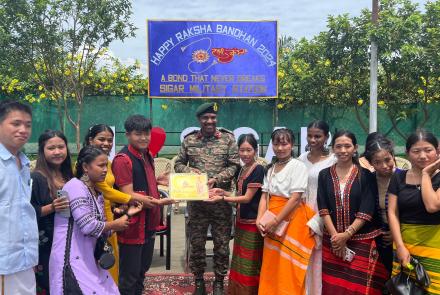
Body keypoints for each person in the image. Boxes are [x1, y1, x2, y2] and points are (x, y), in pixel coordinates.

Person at [49, 145, 142, 294]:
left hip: (89, 257)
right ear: (85, 167)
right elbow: (88, 226)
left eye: (106, 165)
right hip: (72, 257)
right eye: (100, 165)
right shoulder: (75, 187)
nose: (105, 169)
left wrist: (128, 214)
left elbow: (102, 230)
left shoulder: (95, 191)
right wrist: (115, 224)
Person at [174, 102, 240, 295]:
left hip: (220, 202)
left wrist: (216, 179)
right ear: (199, 120)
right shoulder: (189, 140)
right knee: (197, 244)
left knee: (221, 244)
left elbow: (234, 166)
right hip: (197, 203)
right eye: (205, 118)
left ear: (216, 118)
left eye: (212, 117)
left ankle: (219, 282)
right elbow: (178, 163)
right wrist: (190, 171)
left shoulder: (228, 139)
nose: (209, 121)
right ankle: (199, 281)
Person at [317, 130, 388, 295]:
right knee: (333, 286)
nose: (343, 150)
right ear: (333, 148)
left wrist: (346, 235)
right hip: (332, 242)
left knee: (361, 288)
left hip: (361, 240)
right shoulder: (324, 175)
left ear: (355, 147)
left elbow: (366, 210)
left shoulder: (366, 175)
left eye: (347, 146)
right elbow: (323, 208)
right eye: (339, 146)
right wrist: (336, 238)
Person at [84, 124, 156, 284]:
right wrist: (132, 199)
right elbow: (106, 190)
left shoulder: (107, 162)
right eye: (101, 139)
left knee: (111, 261)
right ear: (90, 140)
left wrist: (120, 205)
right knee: (95, 260)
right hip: (95, 217)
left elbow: (113, 187)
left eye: (110, 140)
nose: (106, 143)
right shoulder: (87, 164)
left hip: (111, 214)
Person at [112, 115, 173, 295]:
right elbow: (128, 195)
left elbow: (142, 182)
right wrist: (160, 202)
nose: (144, 138)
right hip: (132, 225)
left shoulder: (147, 155)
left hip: (149, 223)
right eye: (138, 134)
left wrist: (157, 181)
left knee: (142, 270)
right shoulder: (123, 159)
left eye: (147, 134)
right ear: (128, 135)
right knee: (129, 276)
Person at [256, 128, 315, 295]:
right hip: (270, 222)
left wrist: (276, 221)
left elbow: (295, 198)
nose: (280, 148)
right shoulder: (270, 168)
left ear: (292, 145)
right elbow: (264, 196)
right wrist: (259, 219)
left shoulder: (297, 166)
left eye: (284, 143)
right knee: (271, 265)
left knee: (288, 268)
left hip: (291, 221)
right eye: (276, 144)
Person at [207, 134, 265, 295]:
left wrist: (222, 198)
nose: (245, 154)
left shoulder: (258, 169)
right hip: (241, 220)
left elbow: (247, 198)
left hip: (253, 222)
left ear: (255, 150)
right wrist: (222, 190)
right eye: (242, 150)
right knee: (240, 259)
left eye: (249, 150)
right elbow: (238, 193)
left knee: (251, 261)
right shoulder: (242, 169)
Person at [388, 129, 440, 295]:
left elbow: (432, 206)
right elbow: (392, 213)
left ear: (437, 151)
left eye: (428, 150)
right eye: (416, 151)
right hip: (405, 246)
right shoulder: (398, 177)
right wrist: (400, 247)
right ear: (407, 153)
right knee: (404, 290)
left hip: (435, 247)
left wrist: (425, 174)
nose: (423, 156)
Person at [0, 99, 38, 295]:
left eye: (28, 125)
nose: (23, 130)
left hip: (24, 258)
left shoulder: (23, 163)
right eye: (16, 124)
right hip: (3, 263)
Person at [31, 130, 74, 294]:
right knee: (50, 285)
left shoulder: (68, 175)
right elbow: (27, 212)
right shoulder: (36, 178)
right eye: (51, 148)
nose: (57, 152)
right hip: (46, 245)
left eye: (61, 147)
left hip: (69, 241)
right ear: (42, 151)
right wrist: (52, 207)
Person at [298, 120, 336, 295]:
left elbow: (332, 195)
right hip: (300, 215)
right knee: (302, 259)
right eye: (310, 136)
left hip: (323, 216)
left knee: (319, 261)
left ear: (327, 137)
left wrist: (317, 221)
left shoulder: (333, 161)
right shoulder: (300, 159)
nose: (313, 140)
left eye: (318, 136)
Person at [363, 135, 398, 274]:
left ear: (393, 156)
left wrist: (396, 233)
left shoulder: (404, 178)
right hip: (378, 239)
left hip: (404, 237)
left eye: (387, 160)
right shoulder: (368, 180)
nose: (384, 166)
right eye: (377, 162)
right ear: (371, 163)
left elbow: (413, 211)